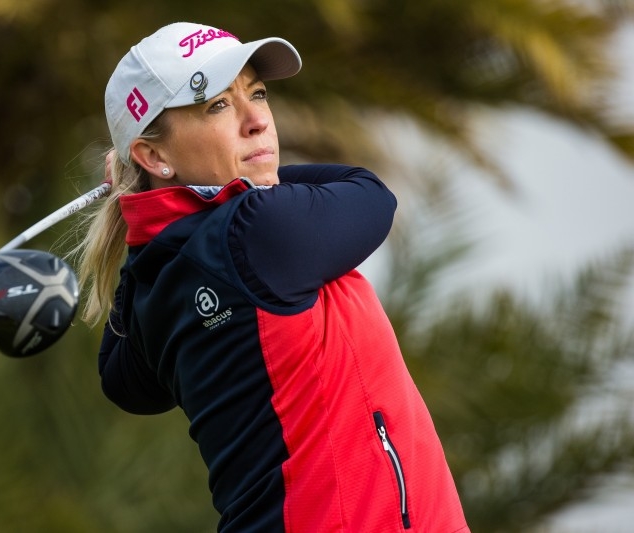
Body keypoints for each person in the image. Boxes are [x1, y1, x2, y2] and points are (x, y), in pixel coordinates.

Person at [76, 21, 470, 532]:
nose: (257, 120)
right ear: (155, 155)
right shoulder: (257, 235)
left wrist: (144, 201)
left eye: (256, 94)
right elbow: (370, 194)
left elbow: (123, 380)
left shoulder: (163, 275)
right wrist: (210, 191)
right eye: (217, 105)